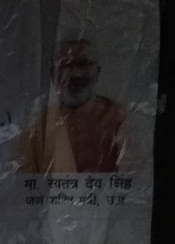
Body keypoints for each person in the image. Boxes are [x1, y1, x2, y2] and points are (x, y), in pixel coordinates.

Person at [14, 36, 127, 173]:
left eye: (84, 64)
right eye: (66, 65)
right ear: (53, 75)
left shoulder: (118, 118)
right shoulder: (38, 125)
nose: (76, 74)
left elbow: (134, 175)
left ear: (98, 71)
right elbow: (23, 178)